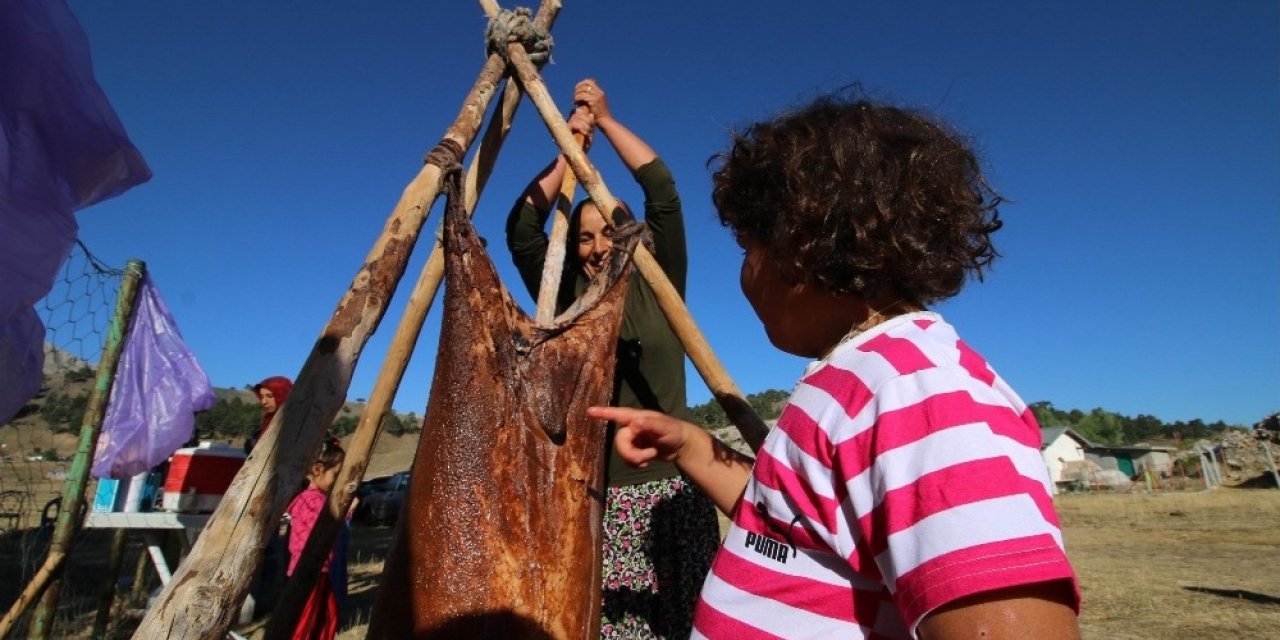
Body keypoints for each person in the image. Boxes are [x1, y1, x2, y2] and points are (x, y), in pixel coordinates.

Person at [589, 92, 1082, 639]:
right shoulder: (850, 382)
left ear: (798, 245)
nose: (744, 276)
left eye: (747, 249)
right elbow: (790, 523)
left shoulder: (914, 392)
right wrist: (689, 445)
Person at [506, 78, 720, 638]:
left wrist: (603, 118)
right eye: (583, 238)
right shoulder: (567, 295)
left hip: (677, 489)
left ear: (634, 237)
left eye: (609, 231)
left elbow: (662, 188)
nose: (598, 247)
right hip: (599, 494)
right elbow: (523, 228)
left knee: (694, 625)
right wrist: (568, 149)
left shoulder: (660, 282)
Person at [285, 438, 346, 640]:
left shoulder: (311, 499)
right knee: (307, 624)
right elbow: (320, 529)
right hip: (310, 571)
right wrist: (344, 512)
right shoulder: (313, 501)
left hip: (317, 570)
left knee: (325, 618)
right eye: (336, 475)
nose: (338, 481)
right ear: (318, 470)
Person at [246, 375, 293, 454]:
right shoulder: (267, 422)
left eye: (269, 396)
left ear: (282, 394)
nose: (264, 401)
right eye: (261, 397)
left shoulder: (296, 423)